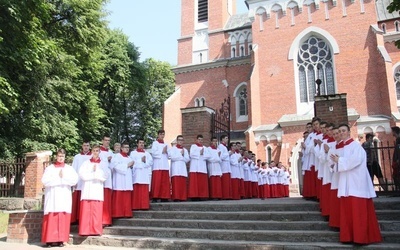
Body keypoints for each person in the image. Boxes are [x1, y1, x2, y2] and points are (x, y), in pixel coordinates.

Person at [330, 124, 382, 244]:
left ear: (349, 132)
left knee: (358, 212)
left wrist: (340, 161)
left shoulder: (356, 146)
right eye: (340, 131)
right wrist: (335, 163)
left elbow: (354, 161)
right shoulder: (342, 147)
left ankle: (360, 238)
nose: (341, 133)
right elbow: (336, 164)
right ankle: (348, 237)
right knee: (348, 212)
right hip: (346, 184)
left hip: (356, 184)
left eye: (343, 131)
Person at [42, 149, 78, 247]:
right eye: (59, 156)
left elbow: (74, 181)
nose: (60, 158)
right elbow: (45, 181)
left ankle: (61, 240)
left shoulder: (69, 169)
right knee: (51, 216)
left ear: (65, 157)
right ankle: (49, 240)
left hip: (64, 196)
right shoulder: (50, 168)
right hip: (53, 195)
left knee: (63, 216)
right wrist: (58, 178)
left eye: (62, 156)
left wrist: (63, 178)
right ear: (56, 157)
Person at [78, 145, 109, 236]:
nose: (96, 153)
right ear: (92, 152)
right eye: (94, 151)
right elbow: (81, 174)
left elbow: (106, 175)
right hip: (88, 188)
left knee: (96, 210)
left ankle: (96, 230)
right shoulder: (86, 163)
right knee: (86, 211)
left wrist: (96, 173)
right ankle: (85, 230)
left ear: (100, 152)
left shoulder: (103, 163)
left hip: (97, 188)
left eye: (97, 151)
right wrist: (92, 174)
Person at [111, 142, 134, 218]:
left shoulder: (130, 158)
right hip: (119, 179)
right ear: (121, 148)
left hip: (127, 180)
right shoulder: (117, 156)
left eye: (128, 147)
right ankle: (118, 213)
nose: (127, 148)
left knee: (127, 196)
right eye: (125, 147)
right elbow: (115, 166)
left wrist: (131, 166)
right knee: (119, 196)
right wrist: (127, 165)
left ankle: (127, 213)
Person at [70, 140, 91, 224]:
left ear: (89, 147)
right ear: (82, 146)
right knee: (77, 199)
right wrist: (74, 180)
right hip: (79, 181)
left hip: (88, 181)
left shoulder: (92, 156)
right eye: (84, 145)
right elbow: (74, 169)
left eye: (87, 145)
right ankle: (76, 218)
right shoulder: (77, 157)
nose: (86, 147)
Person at [130, 138, 153, 209]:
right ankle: (136, 205)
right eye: (140, 143)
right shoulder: (133, 153)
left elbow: (150, 162)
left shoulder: (147, 153)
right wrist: (141, 161)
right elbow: (132, 162)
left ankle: (144, 206)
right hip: (137, 174)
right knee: (137, 190)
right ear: (137, 144)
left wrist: (143, 163)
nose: (141, 144)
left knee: (144, 191)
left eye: (143, 143)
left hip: (144, 174)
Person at [151, 129, 171, 202]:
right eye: (161, 134)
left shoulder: (166, 144)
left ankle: (164, 197)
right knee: (157, 182)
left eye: (163, 134)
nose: (162, 136)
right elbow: (153, 153)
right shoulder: (155, 143)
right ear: (158, 135)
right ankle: (155, 197)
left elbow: (170, 155)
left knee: (164, 182)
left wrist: (167, 152)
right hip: (157, 165)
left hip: (165, 165)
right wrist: (162, 151)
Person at [188, 134, 210, 200]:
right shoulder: (193, 146)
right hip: (194, 167)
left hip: (202, 167)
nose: (200, 141)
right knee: (194, 183)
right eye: (199, 139)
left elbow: (208, 156)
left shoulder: (205, 148)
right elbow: (191, 154)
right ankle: (194, 196)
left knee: (201, 183)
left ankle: (201, 195)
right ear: (196, 140)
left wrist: (202, 154)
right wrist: (199, 153)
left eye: (201, 140)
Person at [168, 135, 190, 201]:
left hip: (182, 169)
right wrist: (181, 156)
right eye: (179, 140)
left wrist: (182, 156)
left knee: (182, 184)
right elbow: (172, 157)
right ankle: (176, 197)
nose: (181, 141)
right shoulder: (173, 149)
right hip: (176, 169)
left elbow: (187, 159)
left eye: (182, 140)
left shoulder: (185, 150)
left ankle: (182, 197)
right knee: (176, 185)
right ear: (177, 141)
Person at [99, 135, 113, 227]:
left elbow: (113, 165)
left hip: (108, 179)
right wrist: (106, 160)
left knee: (107, 199)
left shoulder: (111, 152)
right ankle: (101, 220)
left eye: (108, 140)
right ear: (102, 141)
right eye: (106, 140)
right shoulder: (98, 151)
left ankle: (107, 220)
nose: (107, 142)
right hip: (100, 179)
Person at [218, 135, 232, 200]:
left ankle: (228, 195)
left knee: (227, 181)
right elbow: (221, 157)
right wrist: (228, 154)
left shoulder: (225, 147)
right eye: (226, 138)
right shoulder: (220, 146)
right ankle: (225, 195)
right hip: (224, 166)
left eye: (227, 138)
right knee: (224, 182)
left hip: (227, 165)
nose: (227, 139)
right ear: (222, 139)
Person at [391, 126, 400, 190]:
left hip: (398, 160)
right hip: (396, 160)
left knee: (397, 175)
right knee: (395, 175)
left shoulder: (399, 140)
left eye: (392, 131)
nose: (392, 133)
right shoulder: (397, 140)